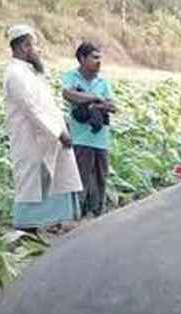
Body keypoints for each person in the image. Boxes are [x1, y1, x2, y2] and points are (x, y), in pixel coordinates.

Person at [3, 25, 82, 235]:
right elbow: (32, 108)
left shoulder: (29, 72)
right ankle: (25, 228)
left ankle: (49, 223)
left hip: (45, 136)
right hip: (32, 138)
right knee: (32, 185)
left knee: (51, 181)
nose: (38, 49)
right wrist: (58, 131)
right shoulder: (15, 74)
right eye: (34, 45)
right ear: (24, 46)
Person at [61, 42, 115, 218]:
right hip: (80, 138)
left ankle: (97, 214)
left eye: (100, 58)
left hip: (100, 139)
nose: (99, 62)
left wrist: (90, 104)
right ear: (82, 59)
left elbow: (112, 106)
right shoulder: (71, 76)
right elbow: (68, 94)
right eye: (94, 57)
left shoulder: (103, 81)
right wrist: (95, 98)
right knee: (80, 178)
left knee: (100, 178)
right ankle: (77, 215)